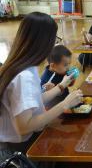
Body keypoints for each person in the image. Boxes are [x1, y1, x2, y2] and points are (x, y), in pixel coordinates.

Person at [0, 12, 82, 162]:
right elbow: (25, 126)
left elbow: (34, 101)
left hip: (18, 143)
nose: (54, 44)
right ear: (43, 42)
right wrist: (65, 104)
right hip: (20, 150)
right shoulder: (24, 77)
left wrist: (61, 86)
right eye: (53, 39)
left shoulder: (21, 66)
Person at [41, 45, 73, 109]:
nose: (68, 68)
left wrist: (71, 80)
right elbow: (44, 102)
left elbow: (68, 85)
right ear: (53, 66)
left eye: (69, 64)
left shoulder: (60, 71)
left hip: (67, 102)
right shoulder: (46, 81)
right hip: (57, 110)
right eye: (65, 65)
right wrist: (49, 91)